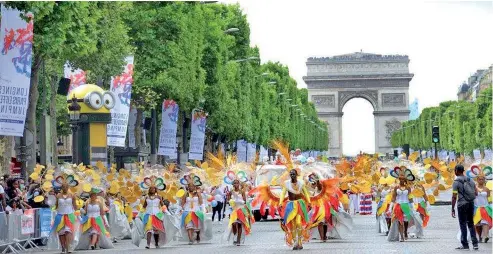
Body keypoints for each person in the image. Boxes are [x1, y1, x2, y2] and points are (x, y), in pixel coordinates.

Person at [387, 166, 423, 242]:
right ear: (398, 179)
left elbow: (410, 198)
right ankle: (402, 236)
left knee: (406, 220)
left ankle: (405, 231)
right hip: (398, 205)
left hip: (406, 205)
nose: (402, 180)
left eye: (403, 179)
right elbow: (393, 198)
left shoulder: (408, 188)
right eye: (400, 179)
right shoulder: (396, 188)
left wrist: (413, 207)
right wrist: (390, 208)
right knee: (400, 221)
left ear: (405, 179)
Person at [279, 169, 311, 250]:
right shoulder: (287, 183)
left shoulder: (301, 183)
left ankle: (299, 241)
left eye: (293, 174)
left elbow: (306, 193)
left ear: (296, 175)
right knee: (292, 225)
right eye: (291, 174)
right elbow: (283, 193)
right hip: (290, 205)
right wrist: (280, 202)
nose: (292, 175)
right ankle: (295, 242)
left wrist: (309, 201)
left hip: (300, 204)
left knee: (298, 222)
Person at [452, 164, 479, 250]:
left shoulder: (456, 182)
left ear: (456, 171)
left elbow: (454, 196)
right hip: (471, 203)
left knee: (463, 224)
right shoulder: (470, 180)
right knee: (471, 223)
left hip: (462, 205)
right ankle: (475, 244)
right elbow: (476, 193)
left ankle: (465, 245)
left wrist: (452, 208)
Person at [49, 182, 78, 253]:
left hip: (69, 215)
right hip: (60, 215)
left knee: (68, 231)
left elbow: (75, 206)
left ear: (68, 187)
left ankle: (68, 247)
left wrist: (78, 211)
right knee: (61, 232)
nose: (65, 188)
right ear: (61, 188)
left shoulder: (72, 195)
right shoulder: (58, 195)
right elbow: (56, 206)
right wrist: (51, 203)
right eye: (63, 187)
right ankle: (63, 247)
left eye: (66, 187)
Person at [224, 179, 253, 246]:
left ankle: (238, 240)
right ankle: (235, 235)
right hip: (233, 210)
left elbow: (244, 201)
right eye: (234, 183)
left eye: (237, 183)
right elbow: (228, 200)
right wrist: (231, 202)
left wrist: (240, 202)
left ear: (239, 184)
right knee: (233, 224)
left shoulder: (242, 191)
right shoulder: (231, 192)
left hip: (240, 209)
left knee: (239, 224)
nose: (235, 184)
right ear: (232, 184)